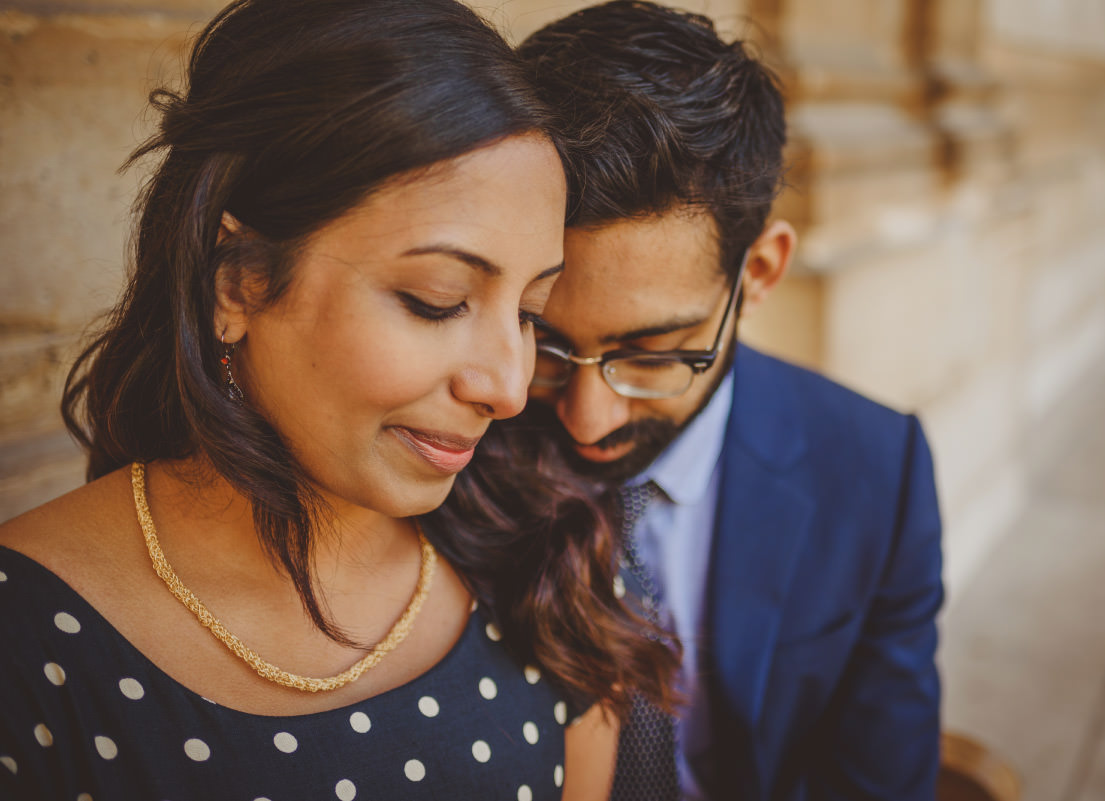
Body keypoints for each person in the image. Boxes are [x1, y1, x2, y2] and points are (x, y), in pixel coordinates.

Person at [0, 1, 677, 798]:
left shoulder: (545, 571)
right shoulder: (28, 641)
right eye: (437, 298)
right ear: (241, 281)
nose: (506, 385)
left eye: (529, 315)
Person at [518, 3, 944, 799]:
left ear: (760, 272)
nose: (586, 416)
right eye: (543, 341)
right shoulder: (456, 446)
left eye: (650, 354)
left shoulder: (877, 474)